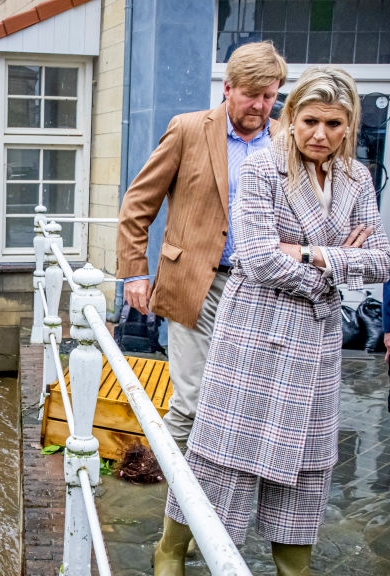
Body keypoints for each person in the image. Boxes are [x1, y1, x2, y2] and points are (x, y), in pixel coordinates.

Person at [158, 66, 390, 576]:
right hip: (254, 328)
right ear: (292, 118)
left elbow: (382, 260)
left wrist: (310, 254)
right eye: (310, 120)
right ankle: (171, 549)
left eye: (334, 124)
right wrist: (336, 257)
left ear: (348, 124)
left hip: (315, 337)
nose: (320, 133)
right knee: (220, 446)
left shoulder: (359, 178)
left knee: (307, 460)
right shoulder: (263, 166)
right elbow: (259, 257)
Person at [116, 42, 286, 457]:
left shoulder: (288, 140)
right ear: (228, 88)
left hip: (261, 289)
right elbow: (139, 203)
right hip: (194, 282)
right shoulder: (188, 129)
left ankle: (216, 484)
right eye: (252, 94)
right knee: (191, 399)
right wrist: (135, 272)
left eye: (270, 96)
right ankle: (166, 488)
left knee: (243, 400)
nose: (261, 106)